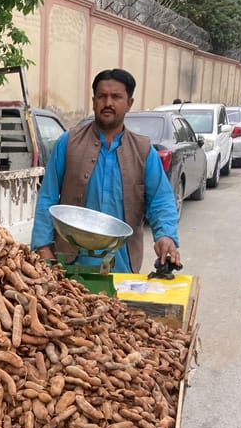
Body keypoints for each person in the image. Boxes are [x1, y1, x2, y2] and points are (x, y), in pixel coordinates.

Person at [31, 68, 180, 274]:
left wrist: (165, 235)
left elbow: (160, 200)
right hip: (68, 267)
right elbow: (47, 197)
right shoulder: (68, 142)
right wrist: (43, 246)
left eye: (116, 97)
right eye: (102, 96)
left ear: (129, 103)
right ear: (94, 101)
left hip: (122, 266)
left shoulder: (144, 150)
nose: (108, 103)